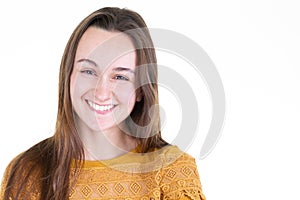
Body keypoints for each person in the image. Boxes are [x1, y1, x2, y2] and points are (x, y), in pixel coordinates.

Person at [0, 7, 206, 200]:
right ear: (68, 75)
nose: (101, 92)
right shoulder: (27, 172)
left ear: (141, 89)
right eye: (88, 71)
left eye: (120, 77)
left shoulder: (173, 172)